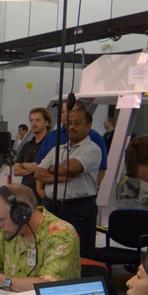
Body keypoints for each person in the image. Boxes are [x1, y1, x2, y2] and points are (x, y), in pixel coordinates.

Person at [0, 184, 81, 289]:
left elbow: (47, 286)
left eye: (1, 219)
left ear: (22, 214)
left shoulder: (61, 234)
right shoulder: (12, 228)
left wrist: (2, 281)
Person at [29, 104, 101, 254]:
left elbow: (70, 168)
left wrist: (50, 170)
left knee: (77, 252)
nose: (72, 127)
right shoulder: (58, 149)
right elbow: (38, 174)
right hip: (52, 207)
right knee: (49, 250)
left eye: (77, 123)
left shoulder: (92, 149)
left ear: (89, 126)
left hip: (78, 210)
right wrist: (57, 177)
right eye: (69, 123)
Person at [39, 99, 109, 180]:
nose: (65, 115)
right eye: (62, 112)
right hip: (48, 191)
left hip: (81, 191)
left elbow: (101, 169)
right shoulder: (52, 136)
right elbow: (39, 167)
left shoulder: (95, 138)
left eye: (69, 111)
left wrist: (50, 168)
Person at [11, 107, 52, 194]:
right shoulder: (27, 145)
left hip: (44, 193)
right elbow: (16, 171)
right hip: (26, 193)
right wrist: (36, 168)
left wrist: (24, 165)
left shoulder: (52, 144)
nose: (34, 123)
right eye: (31, 120)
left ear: (46, 122)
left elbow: (50, 169)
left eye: (37, 120)